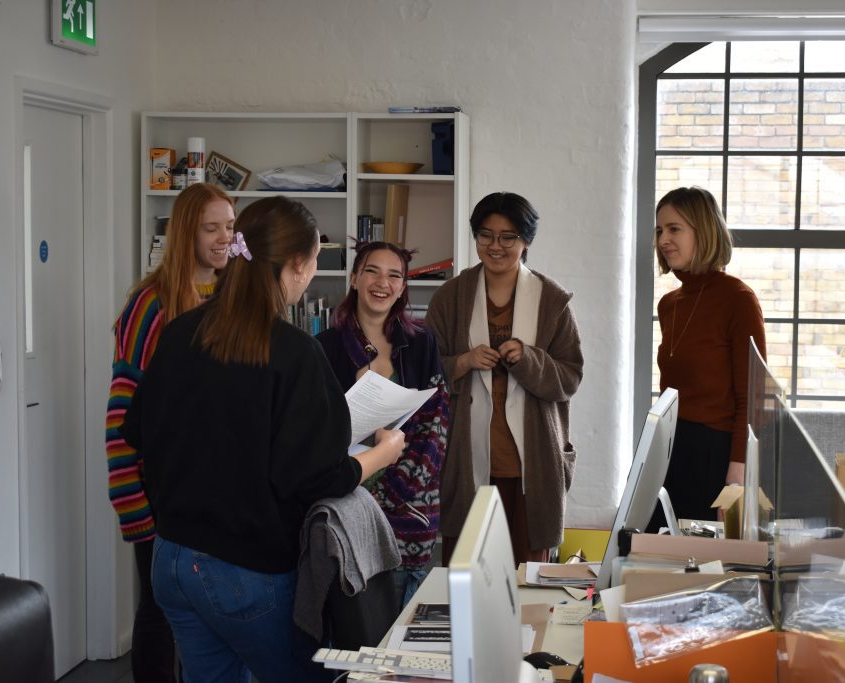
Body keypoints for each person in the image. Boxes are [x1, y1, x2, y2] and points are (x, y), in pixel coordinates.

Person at [120, 196, 405, 682]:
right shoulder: (294, 352)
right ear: (295, 265)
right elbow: (316, 478)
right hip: (244, 571)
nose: (313, 273)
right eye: (315, 260)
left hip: (171, 561)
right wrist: (380, 454)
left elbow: (138, 432)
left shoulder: (181, 332)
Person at [105, 182, 235, 682]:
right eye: (211, 228)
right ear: (185, 232)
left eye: (230, 226)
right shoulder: (151, 304)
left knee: (211, 616)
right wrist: (133, 507)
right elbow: (122, 413)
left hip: (214, 490)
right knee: (161, 614)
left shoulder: (230, 298)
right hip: (159, 492)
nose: (224, 237)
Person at [426, 192, 583, 566]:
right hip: (467, 460)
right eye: (486, 235)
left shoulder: (552, 300)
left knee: (528, 581)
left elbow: (570, 377)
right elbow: (425, 375)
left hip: (531, 464)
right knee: (465, 577)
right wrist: (463, 361)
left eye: (508, 237)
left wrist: (528, 359)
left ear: (526, 241)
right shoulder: (449, 298)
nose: (495, 246)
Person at [317, 240, 449, 609]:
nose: (382, 282)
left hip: (414, 507)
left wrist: (395, 490)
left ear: (403, 287)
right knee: (354, 622)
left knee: (405, 624)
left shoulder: (422, 343)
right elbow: (315, 431)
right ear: (355, 278)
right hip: (351, 504)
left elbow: (437, 423)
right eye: (372, 271)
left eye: (394, 275)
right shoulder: (323, 347)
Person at [651, 186, 767, 527]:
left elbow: (752, 397)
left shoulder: (738, 299)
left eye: (675, 229)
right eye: (659, 230)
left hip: (715, 455)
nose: (663, 240)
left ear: (703, 231)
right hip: (670, 448)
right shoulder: (669, 304)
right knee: (655, 555)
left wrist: (736, 474)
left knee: (706, 566)